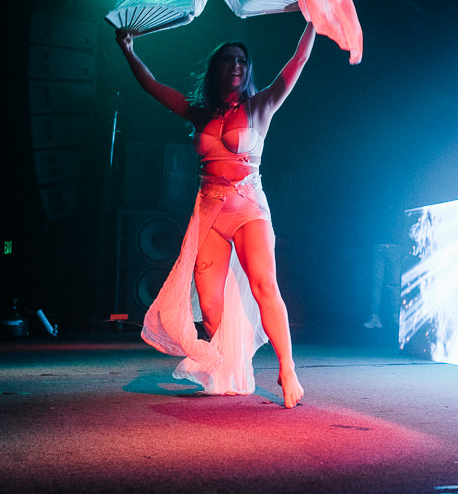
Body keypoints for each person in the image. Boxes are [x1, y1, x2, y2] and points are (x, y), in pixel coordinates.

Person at [115, 23, 315, 408]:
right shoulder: (199, 113)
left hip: (248, 208)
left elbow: (298, 61)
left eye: (242, 61)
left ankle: (287, 369)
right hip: (208, 212)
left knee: (264, 285)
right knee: (208, 307)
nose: (236, 66)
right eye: (228, 60)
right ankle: (225, 368)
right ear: (217, 69)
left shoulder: (260, 107)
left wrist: (312, 23)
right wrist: (128, 50)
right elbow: (153, 87)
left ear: (248, 69)